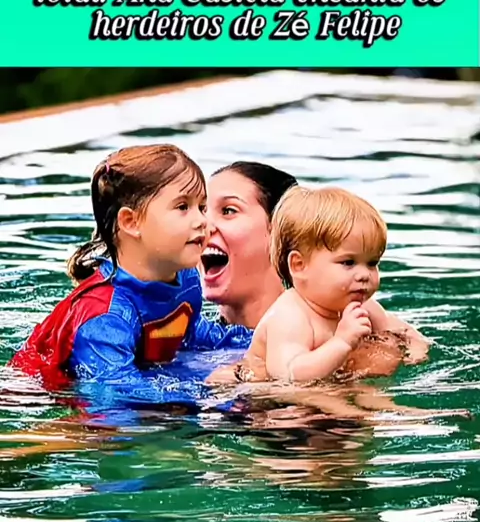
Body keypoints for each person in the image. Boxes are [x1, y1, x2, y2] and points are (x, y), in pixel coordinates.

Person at [9, 145, 252, 390]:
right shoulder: (106, 318)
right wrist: (209, 392)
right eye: (182, 207)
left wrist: (258, 340)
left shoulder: (185, 278)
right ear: (131, 222)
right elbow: (118, 394)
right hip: (35, 392)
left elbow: (191, 336)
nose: (202, 221)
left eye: (201, 207)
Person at [228, 185, 429, 383]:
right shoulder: (290, 316)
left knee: (368, 389)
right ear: (299, 265)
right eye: (348, 262)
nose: (364, 275)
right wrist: (341, 342)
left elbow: (403, 332)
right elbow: (288, 375)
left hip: (332, 383)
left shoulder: (365, 307)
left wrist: (415, 350)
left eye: (372, 263)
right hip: (273, 395)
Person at [201, 161, 298, 329]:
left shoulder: (329, 338)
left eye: (228, 211)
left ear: (280, 232)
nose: (203, 226)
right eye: (202, 210)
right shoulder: (181, 330)